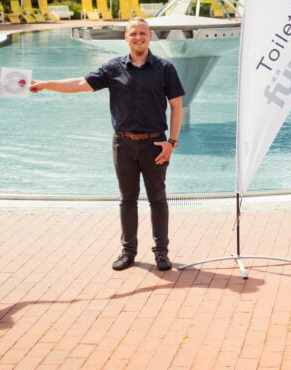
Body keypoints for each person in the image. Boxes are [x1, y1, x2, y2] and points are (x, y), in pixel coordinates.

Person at [30, 17, 184, 272]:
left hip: (155, 144)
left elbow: (176, 105)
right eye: (133, 33)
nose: (138, 37)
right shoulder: (113, 68)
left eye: (143, 33)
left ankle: (161, 253)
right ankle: (128, 252)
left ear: (150, 36)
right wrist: (47, 84)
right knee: (127, 199)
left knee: (157, 199)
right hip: (123, 143)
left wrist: (172, 143)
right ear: (126, 37)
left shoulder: (165, 68)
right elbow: (80, 84)